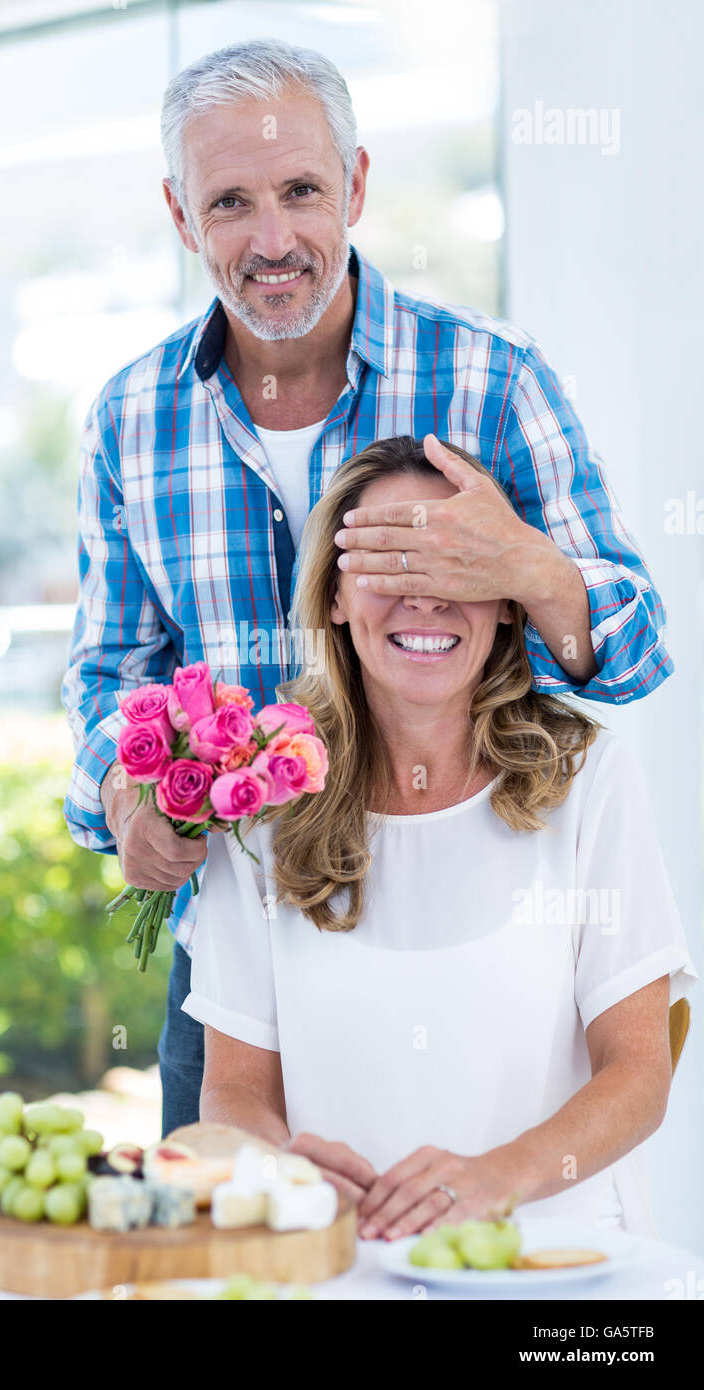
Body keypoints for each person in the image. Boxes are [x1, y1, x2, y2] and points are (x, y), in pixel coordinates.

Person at [60, 39, 672, 1137]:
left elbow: (632, 651)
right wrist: (122, 793)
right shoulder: (130, 418)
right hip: (241, 965)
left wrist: (523, 567)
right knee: (236, 1257)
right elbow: (111, 671)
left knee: (466, 1239)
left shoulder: (492, 379)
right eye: (230, 202)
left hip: (467, 936)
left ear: (353, 182)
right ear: (179, 213)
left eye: (300, 189)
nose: (272, 238)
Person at [182, 435, 697, 1238]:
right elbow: (233, 1090)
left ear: (504, 600)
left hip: (554, 1272)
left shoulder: (589, 779)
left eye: (453, 565)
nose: (423, 597)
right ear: (333, 599)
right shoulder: (257, 804)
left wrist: (497, 1179)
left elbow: (639, 1073)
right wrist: (286, 1170)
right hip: (349, 1269)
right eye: (389, 563)